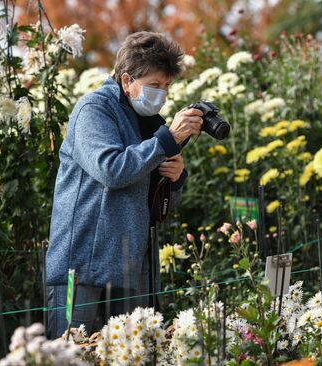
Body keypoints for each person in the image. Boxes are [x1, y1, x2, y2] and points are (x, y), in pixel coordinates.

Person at [45, 31, 204, 339]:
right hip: (81, 269)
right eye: (154, 85)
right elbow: (112, 170)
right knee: (69, 357)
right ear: (127, 80)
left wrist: (174, 177)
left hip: (130, 270)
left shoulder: (148, 120)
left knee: (130, 357)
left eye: (167, 86)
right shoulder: (94, 110)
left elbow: (158, 205)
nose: (162, 94)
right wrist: (166, 141)